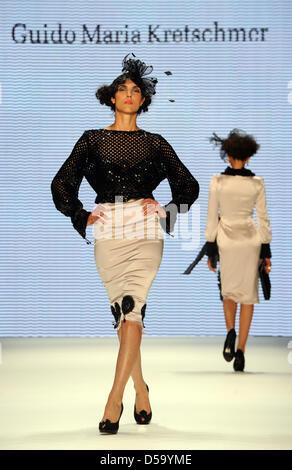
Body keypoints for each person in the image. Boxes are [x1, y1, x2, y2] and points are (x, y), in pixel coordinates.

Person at [50, 53, 199, 433]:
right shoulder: (92, 139)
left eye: (136, 90)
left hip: (144, 227)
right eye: (122, 89)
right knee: (123, 313)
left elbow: (189, 185)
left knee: (133, 305)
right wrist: (82, 216)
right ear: (111, 97)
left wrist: (167, 210)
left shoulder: (155, 143)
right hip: (109, 227)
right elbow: (61, 183)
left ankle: (113, 400)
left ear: (144, 100)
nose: (129, 95)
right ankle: (140, 388)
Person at [205, 129, 272, 372]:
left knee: (228, 290)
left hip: (226, 240)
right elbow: (263, 218)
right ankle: (241, 350)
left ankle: (230, 331)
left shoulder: (218, 181)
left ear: (228, 156)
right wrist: (266, 251)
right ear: (248, 157)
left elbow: (212, 217)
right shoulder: (256, 183)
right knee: (248, 294)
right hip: (250, 241)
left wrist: (210, 248)